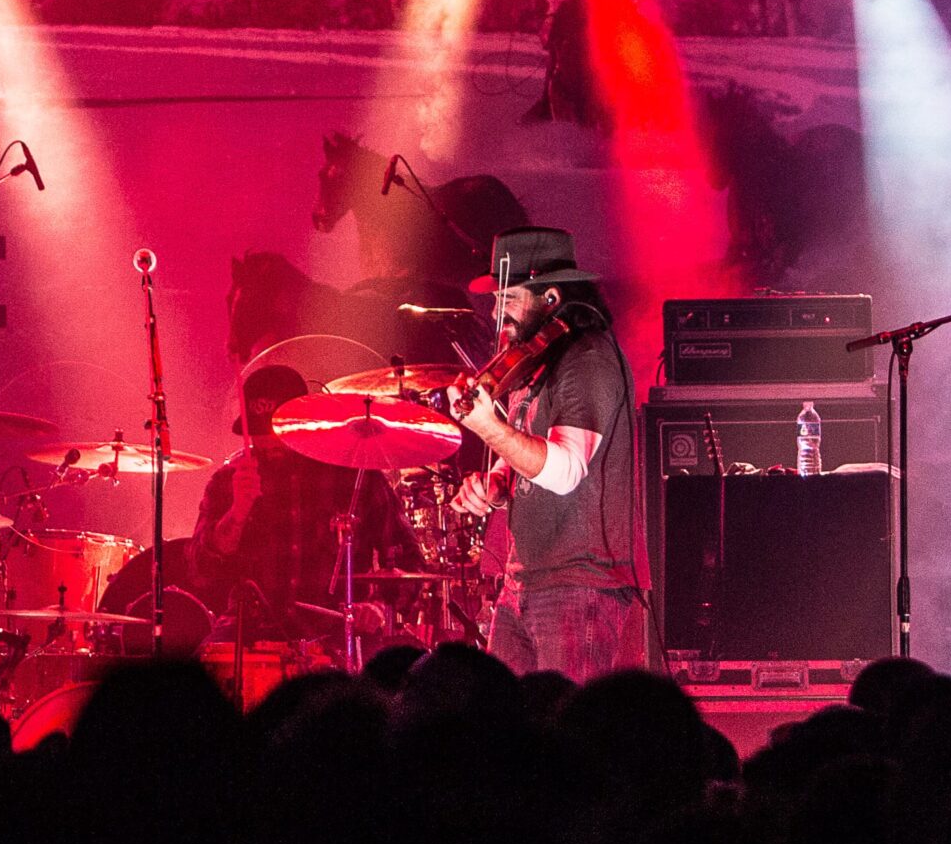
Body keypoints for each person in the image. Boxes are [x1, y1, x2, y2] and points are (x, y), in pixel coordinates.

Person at [452, 227, 648, 680]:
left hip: (580, 582)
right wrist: (496, 485)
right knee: (510, 731)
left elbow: (565, 469)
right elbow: (526, 448)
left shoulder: (589, 359)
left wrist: (488, 426)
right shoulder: (535, 365)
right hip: (525, 580)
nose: (499, 315)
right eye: (497, 302)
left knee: (564, 733)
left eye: (511, 300)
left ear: (552, 299)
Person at [195, 364, 418, 641]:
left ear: (302, 425)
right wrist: (237, 514)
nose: (267, 442)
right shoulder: (228, 480)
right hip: (250, 635)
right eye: (257, 432)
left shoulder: (353, 475)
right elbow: (200, 572)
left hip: (335, 636)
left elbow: (409, 560)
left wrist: (379, 607)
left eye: (276, 431)